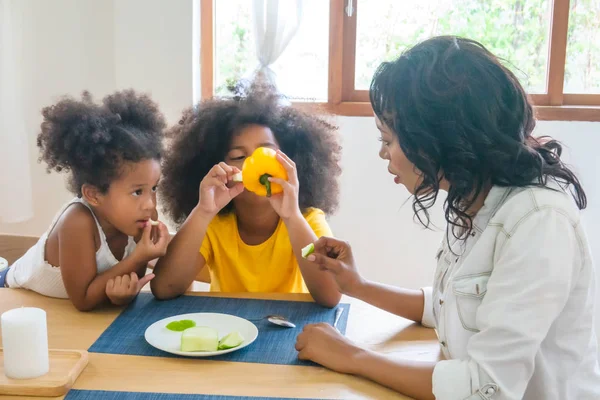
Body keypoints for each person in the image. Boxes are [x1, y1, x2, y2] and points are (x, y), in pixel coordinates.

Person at [295, 36, 600, 400]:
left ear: (439, 137)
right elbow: (449, 307)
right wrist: (358, 286)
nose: (382, 153)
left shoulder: (538, 222)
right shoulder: (476, 196)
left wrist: (351, 356)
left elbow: (487, 388)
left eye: (388, 139)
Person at [151, 85, 342, 307]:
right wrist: (203, 212)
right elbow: (164, 288)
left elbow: (331, 296)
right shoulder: (214, 224)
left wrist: (292, 217)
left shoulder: (307, 220)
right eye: (239, 156)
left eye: (266, 153)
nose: (253, 163)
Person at [1, 90, 169, 311]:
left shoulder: (141, 218)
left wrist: (123, 294)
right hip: (9, 292)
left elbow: (126, 282)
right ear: (94, 194)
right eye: (138, 191)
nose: (150, 204)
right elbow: (83, 299)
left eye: (154, 188)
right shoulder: (77, 222)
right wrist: (139, 257)